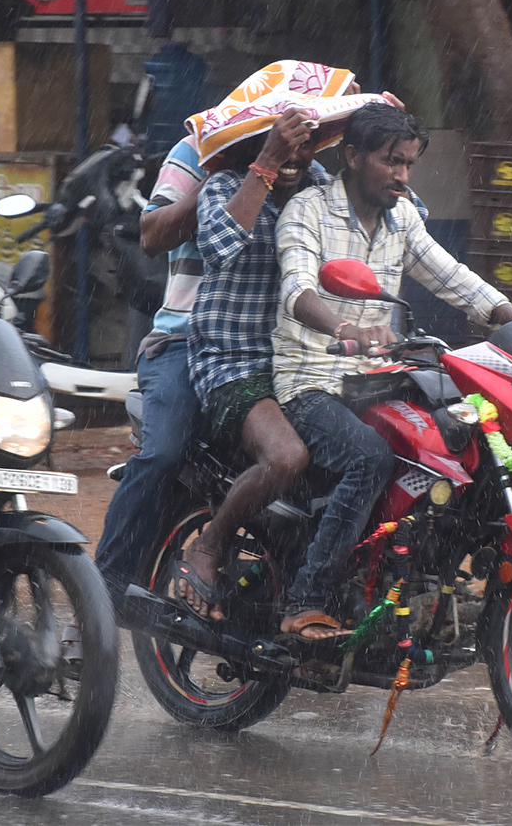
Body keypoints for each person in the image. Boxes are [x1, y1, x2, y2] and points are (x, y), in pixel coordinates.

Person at [93, 61, 363, 614]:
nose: (297, 155)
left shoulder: (310, 177)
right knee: (164, 453)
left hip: (281, 352)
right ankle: (100, 595)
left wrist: (368, 143)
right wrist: (241, 167)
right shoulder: (197, 155)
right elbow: (151, 234)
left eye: (305, 139)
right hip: (187, 342)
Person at [272, 102, 512, 640]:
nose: (403, 175)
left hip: (378, 379)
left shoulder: (401, 216)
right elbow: (298, 289)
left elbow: (455, 279)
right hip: (310, 379)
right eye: (392, 162)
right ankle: (306, 600)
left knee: (460, 443)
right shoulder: (307, 211)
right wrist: (346, 329)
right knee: (369, 458)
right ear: (353, 156)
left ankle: (415, 575)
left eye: (409, 163)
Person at [179, 79, 399, 620]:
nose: (300, 156)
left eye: (308, 143)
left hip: (310, 360)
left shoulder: (320, 186)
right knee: (287, 456)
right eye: (287, 143)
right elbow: (219, 248)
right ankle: (211, 542)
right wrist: (267, 163)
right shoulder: (224, 185)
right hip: (235, 363)